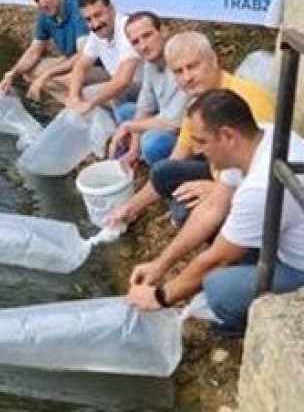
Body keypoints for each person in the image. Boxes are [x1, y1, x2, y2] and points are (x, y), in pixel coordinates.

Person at [126, 89, 304, 337]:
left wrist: (161, 296)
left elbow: (217, 259)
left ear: (227, 136)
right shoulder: (260, 136)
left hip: (298, 267)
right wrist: (160, 264)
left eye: (201, 141)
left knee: (218, 288)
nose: (197, 152)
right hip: (284, 239)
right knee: (214, 232)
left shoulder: (259, 188)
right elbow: (212, 208)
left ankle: (242, 328)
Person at [105, 32, 273, 231]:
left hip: (253, 187)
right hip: (220, 173)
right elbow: (178, 155)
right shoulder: (196, 103)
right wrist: (131, 206)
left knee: (183, 213)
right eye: (178, 71)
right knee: (163, 171)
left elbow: (266, 172)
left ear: (213, 60)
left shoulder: (248, 100)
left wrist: (215, 190)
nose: (187, 78)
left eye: (193, 66)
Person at [0, 0, 98, 100]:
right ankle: (70, 101)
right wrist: (12, 74)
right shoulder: (45, 15)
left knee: (65, 79)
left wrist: (47, 75)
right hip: (71, 60)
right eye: (37, 0)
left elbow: (83, 57)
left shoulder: (79, 11)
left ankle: (77, 105)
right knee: (28, 72)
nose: (42, 3)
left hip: (95, 66)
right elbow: (34, 51)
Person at [107, 12, 185, 168]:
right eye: (135, 42)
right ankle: (131, 159)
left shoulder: (181, 61)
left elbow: (174, 123)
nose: (143, 46)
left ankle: (166, 175)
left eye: (147, 36)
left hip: (187, 132)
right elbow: (144, 108)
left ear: (163, 31)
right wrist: (134, 149)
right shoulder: (150, 65)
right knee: (125, 112)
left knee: (151, 142)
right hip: (166, 118)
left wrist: (128, 127)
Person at [64, 0, 140, 115]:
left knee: (98, 93)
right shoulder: (98, 32)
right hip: (119, 82)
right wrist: (74, 97)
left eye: (98, 15)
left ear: (111, 9)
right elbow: (81, 67)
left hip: (141, 88)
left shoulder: (127, 28)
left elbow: (123, 80)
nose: (95, 24)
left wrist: (90, 104)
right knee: (73, 88)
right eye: (88, 19)